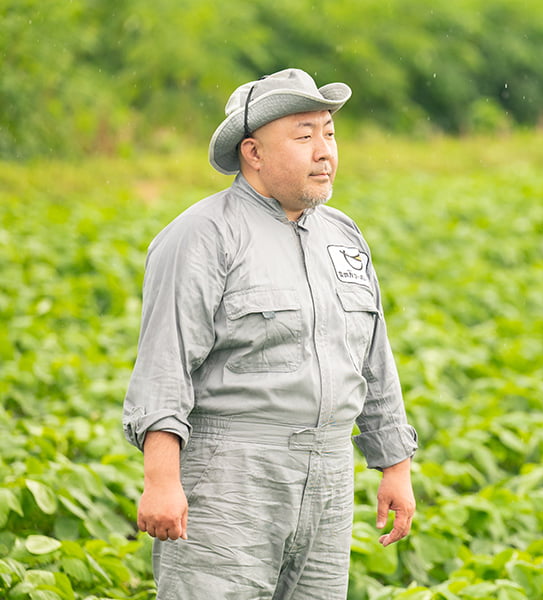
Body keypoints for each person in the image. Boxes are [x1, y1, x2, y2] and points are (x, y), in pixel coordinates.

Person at [122, 67, 418, 600]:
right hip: (232, 475)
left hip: (329, 476)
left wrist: (394, 464)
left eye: (328, 132)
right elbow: (165, 367)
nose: (324, 151)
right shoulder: (202, 235)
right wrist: (161, 481)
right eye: (304, 136)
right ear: (253, 152)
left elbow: (373, 358)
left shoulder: (342, 236)